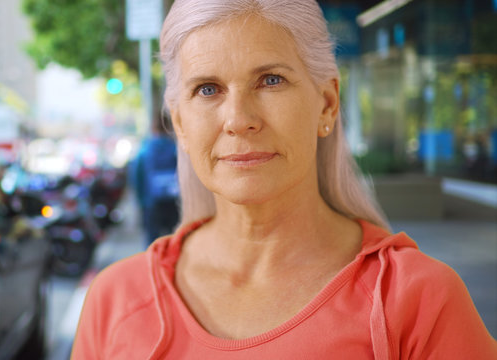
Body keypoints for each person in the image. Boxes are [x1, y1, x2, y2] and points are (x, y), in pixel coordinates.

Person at [72, 1, 497, 358]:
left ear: (327, 105)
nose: (239, 120)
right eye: (207, 89)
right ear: (180, 124)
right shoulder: (115, 300)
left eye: (271, 80)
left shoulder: (418, 302)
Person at [132, 119, 180, 246]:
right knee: (173, 239)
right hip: (173, 201)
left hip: (151, 202)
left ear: (153, 129)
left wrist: (141, 202)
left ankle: (152, 265)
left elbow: (137, 178)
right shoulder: (176, 149)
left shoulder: (145, 150)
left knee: (152, 240)